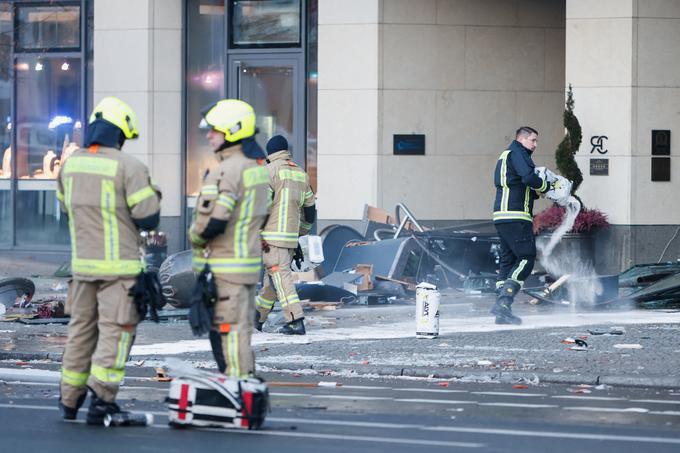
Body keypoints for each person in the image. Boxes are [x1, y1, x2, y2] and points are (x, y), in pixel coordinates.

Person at [57, 96, 162, 423]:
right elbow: (148, 217)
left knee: (81, 332)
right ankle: (102, 398)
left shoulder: (70, 165)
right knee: (116, 332)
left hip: (82, 269)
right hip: (120, 271)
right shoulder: (128, 167)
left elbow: (64, 210)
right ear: (119, 133)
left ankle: (69, 400)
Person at [189, 99, 270, 377]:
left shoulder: (227, 170)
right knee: (241, 332)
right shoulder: (256, 168)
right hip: (246, 267)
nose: (208, 136)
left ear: (233, 131)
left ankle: (237, 390)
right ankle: (244, 387)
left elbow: (212, 222)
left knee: (227, 334)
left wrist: (195, 237)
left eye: (214, 131)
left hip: (224, 268)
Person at [255, 135, 316, 335]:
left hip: (272, 238)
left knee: (280, 277)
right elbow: (309, 211)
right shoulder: (301, 174)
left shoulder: (269, 171)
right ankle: (257, 318)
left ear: (270, 153)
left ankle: (295, 320)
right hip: (289, 238)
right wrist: (300, 235)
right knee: (272, 279)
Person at [491, 126, 550, 325]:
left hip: (501, 216)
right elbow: (527, 176)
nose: (535, 145)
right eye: (533, 140)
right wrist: (546, 186)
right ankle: (504, 303)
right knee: (527, 257)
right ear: (522, 139)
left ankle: (502, 311)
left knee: (507, 262)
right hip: (517, 216)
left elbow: (516, 182)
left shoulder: (505, 155)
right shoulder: (518, 152)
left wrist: (535, 192)